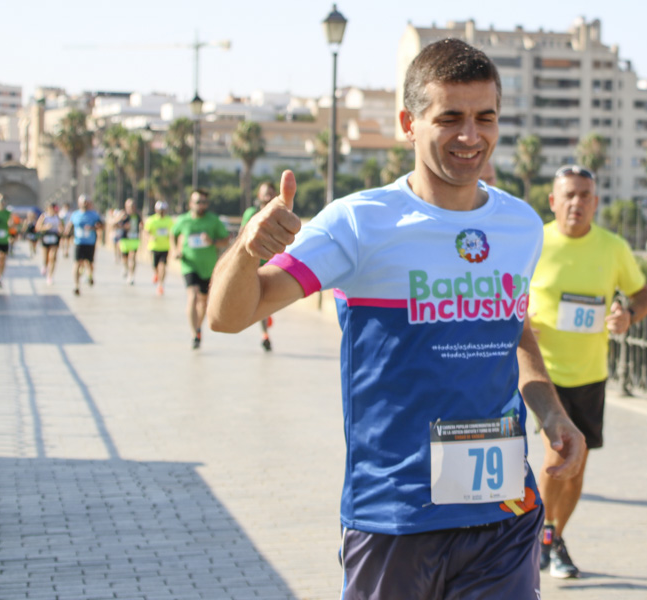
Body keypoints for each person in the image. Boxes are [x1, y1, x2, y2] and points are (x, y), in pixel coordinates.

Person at [207, 38, 585, 599]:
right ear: (409, 123)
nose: (470, 135)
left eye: (486, 117)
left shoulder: (521, 224)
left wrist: (553, 413)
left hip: (503, 509)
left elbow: (514, 327)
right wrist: (245, 248)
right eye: (450, 117)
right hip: (395, 514)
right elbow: (228, 315)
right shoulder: (360, 224)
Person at [527, 164, 647, 578]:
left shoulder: (613, 247)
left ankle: (554, 537)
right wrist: (524, 324)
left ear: (596, 203)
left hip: (590, 372)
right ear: (553, 201)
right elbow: (505, 293)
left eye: (585, 195)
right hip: (543, 373)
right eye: (569, 195)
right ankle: (544, 535)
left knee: (578, 463)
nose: (577, 203)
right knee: (559, 450)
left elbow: (642, 294)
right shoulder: (534, 242)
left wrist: (627, 315)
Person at [172, 189, 228, 348]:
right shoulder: (183, 220)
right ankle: (193, 333)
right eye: (198, 202)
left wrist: (212, 241)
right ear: (191, 203)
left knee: (203, 303)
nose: (201, 205)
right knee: (193, 296)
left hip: (209, 267)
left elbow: (225, 240)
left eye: (204, 202)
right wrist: (176, 249)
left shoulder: (213, 220)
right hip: (189, 264)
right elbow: (173, 234)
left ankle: (198, 328)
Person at [240, 182, 277, 351]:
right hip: (254, 262)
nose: (268, 197)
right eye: (265, 194)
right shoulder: (251, 213)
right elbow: (243, 233)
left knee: (266, 299)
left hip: (273, 262)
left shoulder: (279, 213)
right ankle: (265, 332)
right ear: (259, 196)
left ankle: (265, 327)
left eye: (271, 193)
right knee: (260, 299)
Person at [68, 195, 103, 296]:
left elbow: (101, 225)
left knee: (90, 264)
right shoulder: (75, 214)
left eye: (86, 202)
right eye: (82, 202)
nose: (84, 204)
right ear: (79, 203)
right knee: (77, 263)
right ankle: (76, 286)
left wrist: (93, 227)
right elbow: (70, 226)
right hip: (78, 243)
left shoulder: (94, 215)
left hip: (90, 243)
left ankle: (90, 276)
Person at [145, 201, 174, 295]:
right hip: (154, 246)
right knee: (155, 266)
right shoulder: (151, 220)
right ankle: (156, 274)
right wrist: (150, 237)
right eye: (160, 210)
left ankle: (161, 285)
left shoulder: (169, 220)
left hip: (165, 247)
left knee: (163, 266)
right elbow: (146, 232)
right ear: (156, 210)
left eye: (163, 210)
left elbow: (173, 233)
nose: (161, 212)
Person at [36, 203, 64, 285]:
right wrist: (46, 227)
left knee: (53, 257)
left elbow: (61, 228)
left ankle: (50, 276)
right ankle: (44, 265)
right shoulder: (44, 216)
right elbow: (38, 227)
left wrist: (60, 230)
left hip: (54, 237)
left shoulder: (57, 217)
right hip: (46, 237)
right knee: (46, 257)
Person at [116, 198, 142, 285]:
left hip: (134, 239)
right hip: (125, 239)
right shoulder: (123, 214)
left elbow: (142, 224)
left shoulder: (137, 215)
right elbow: (115, 224)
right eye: (129, 206)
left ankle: (131, 276)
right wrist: (123, 225)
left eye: (133, 206)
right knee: (125, 258)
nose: (131, 208)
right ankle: (125, 268)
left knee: (133, 257)